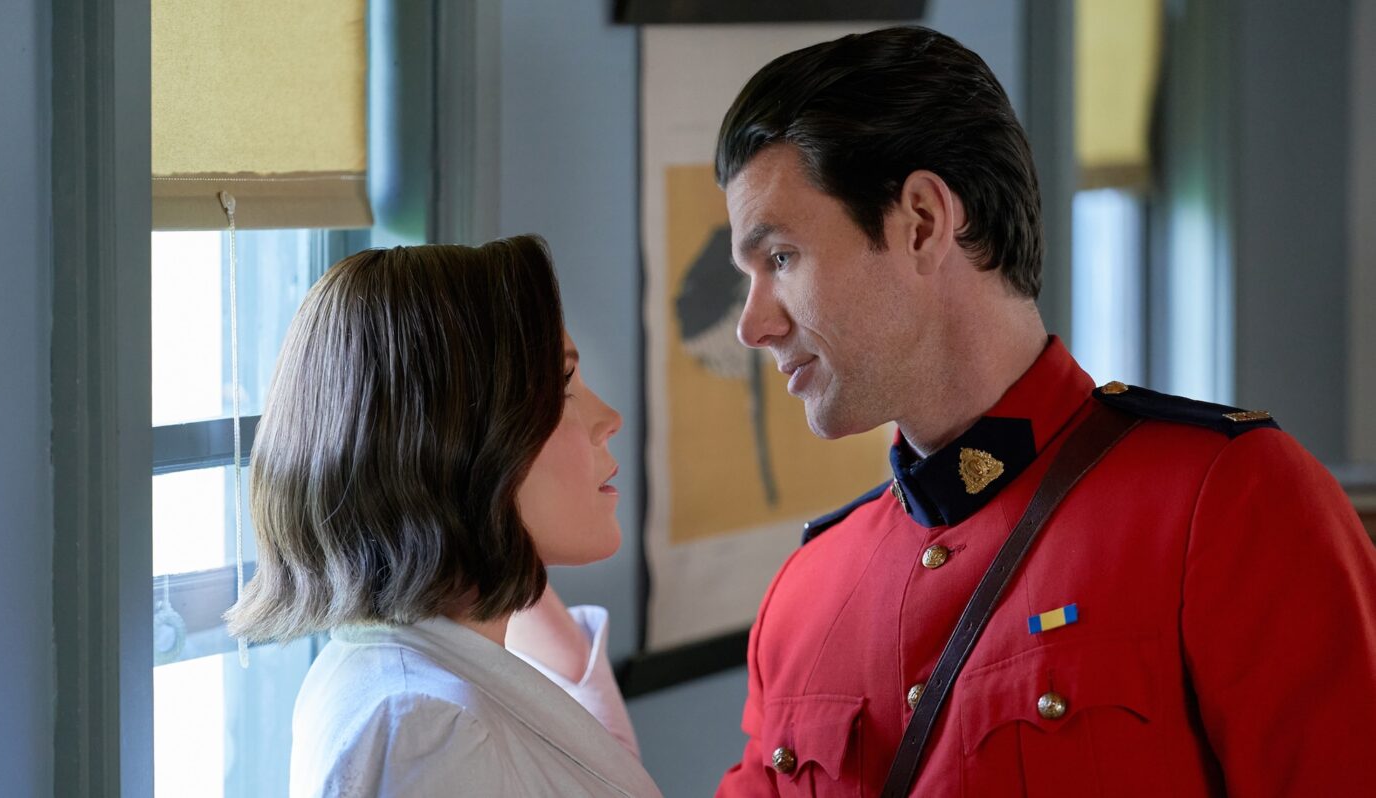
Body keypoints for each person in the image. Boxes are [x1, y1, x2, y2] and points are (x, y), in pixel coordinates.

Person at [712, 25, 1376, 797]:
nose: (753, 325)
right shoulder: (802, 596)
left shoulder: (1231, 502)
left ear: (922, 221)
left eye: (781, 258)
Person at [224, 237, 662, 798]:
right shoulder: (427, 732)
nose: (610, 419)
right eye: (564, 384)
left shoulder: (422, 682)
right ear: (454, 438)